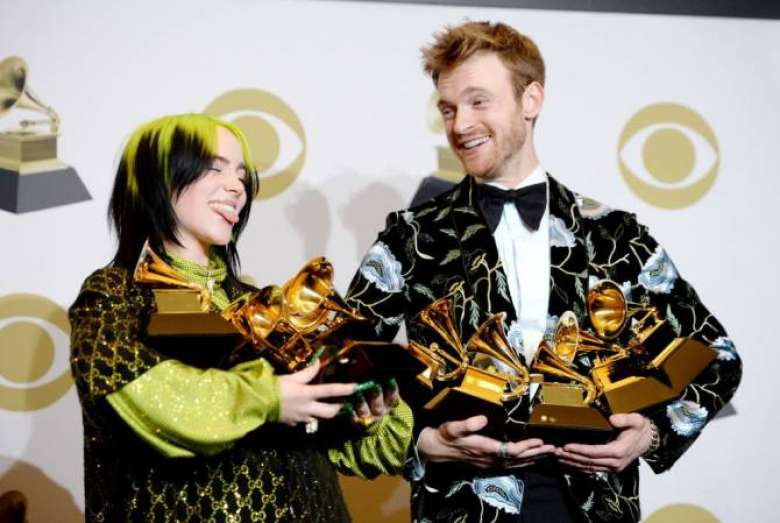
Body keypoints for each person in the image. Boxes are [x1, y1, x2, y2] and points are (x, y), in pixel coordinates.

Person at [345, 21, 741, 522]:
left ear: (531, 99)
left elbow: (717, 357)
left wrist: (652, 433)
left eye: (478, 102)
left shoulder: (615, 235)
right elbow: (342, 368)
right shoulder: (411, 237)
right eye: (448, 109)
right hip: (460, 506)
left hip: (593, 507)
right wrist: (422, 443)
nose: (460, 125)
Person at [69, 113, 412, 522]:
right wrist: (270, 398)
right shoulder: (115, 294)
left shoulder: (263, 305)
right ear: (157, 178)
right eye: (215, 168)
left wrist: (360, 415)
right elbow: (146, 397)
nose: (237, 187)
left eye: (242, 176)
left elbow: (340, 448)